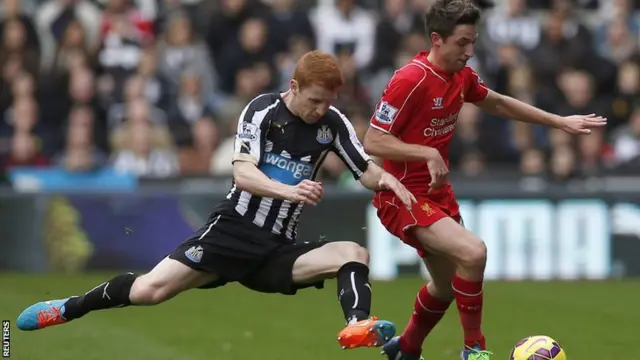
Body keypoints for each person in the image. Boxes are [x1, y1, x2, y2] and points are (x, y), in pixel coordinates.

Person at [16, 50, 417, 351]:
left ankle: (357, 325)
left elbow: (364, 170)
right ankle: (69, 307)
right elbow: (242, 173)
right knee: (148, 292)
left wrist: (389, 181)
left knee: (353, 252)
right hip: (232, 232)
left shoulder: (332, 124)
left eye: (327, 102)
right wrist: (289, 190)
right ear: (293, 86)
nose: (320, 110)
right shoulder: (262, 112)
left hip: (277, 247)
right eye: (314, 100)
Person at [363, 1, 607, 360]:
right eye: (462, 42)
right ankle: (474, 350)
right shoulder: (410, 79)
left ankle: (406, 348)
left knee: (445, 287)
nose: (470, 51)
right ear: (437, 39)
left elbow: (497, 103)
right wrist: (427, 153)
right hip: (402, 195)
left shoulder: (460, 76)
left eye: (473, 41)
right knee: (473, 252)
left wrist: (559, 121)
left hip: (436, 194)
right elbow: (373, 140)